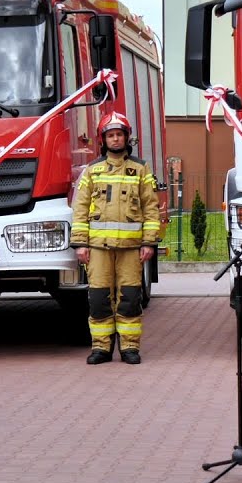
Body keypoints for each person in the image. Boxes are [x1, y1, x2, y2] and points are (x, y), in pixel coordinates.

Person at [71, 112, 161, 365]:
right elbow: (80, 208)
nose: (115, 139)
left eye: (119, 134)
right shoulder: (92, 171)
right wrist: (80, 244)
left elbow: (150, 208)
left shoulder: (140, 169)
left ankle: (130, 348)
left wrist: (148, 242)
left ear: (126, 137)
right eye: (110, 135)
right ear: (104, 139)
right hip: (98, 248)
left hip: (131, 249)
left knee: (130, 299)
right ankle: (101, 348)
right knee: (99, 300)